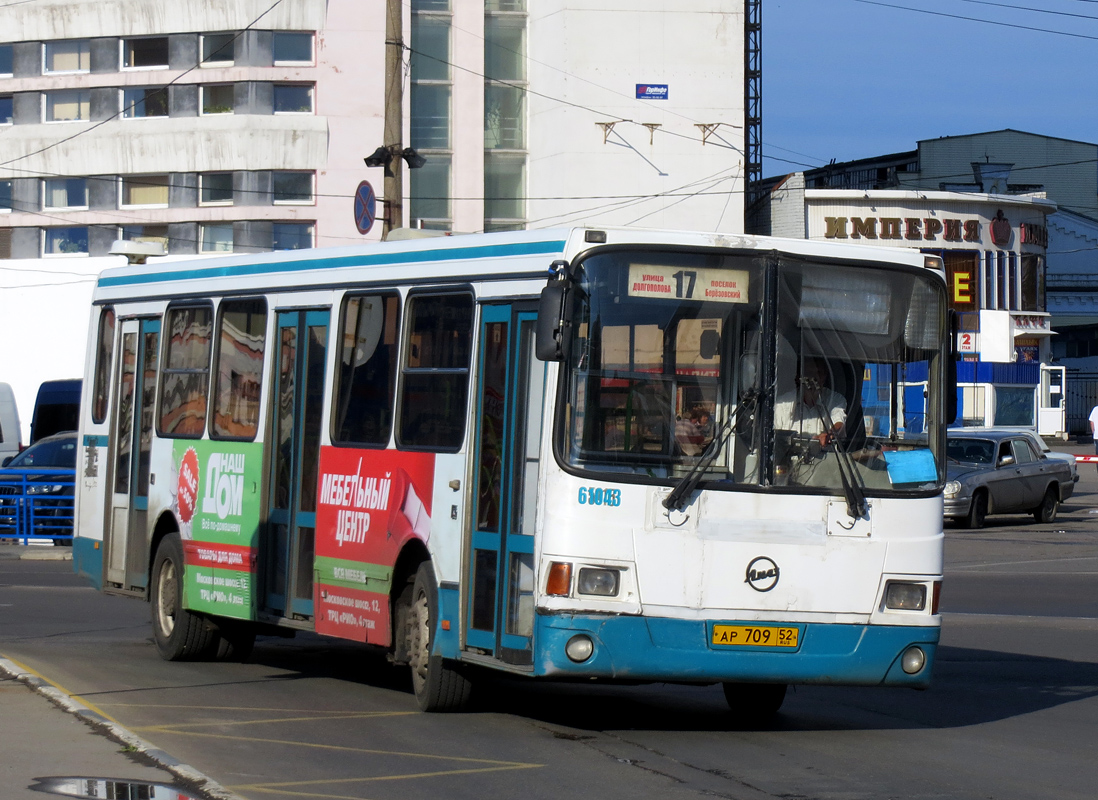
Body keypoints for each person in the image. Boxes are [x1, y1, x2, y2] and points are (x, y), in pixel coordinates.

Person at [774, 357, 847, 447]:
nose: (814, 378)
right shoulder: (782, 403)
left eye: (819, 373)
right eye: (809, 374)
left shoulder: (835, 399)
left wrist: (829, 434)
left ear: (825, 376)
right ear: (798, 377)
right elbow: (774, 438)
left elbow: (839, 423)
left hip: (826, 460)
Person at [1089, 402, 1098, 472]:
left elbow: (1091, 421)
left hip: (1096, 436)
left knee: (1097, 456)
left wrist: (1093, 431)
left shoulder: (1095, 409)